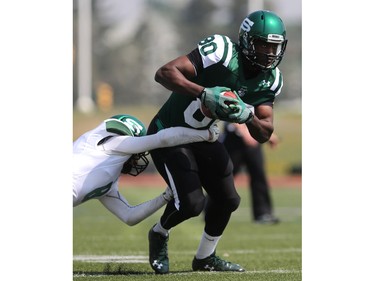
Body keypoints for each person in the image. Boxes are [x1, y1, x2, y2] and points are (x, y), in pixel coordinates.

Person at [146, 10, 287, 274]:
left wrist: (248, 116)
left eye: (274, 46)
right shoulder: (221, 52)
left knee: (228, 199)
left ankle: (205, 258)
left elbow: (265, 132)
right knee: (192, 204)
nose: (269, 52)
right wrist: (203, 93)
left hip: (204, 136)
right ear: (246, 41)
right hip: (170, 132)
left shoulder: (270, 79)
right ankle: (159, 232)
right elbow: (164, 72)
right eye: (263, 44)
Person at [73, 114, 219, 226]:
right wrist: (206, 135)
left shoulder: (109, 180)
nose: (136, 160)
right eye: (136, 155)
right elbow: (162, 139)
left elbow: (129, 216)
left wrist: (165, 196)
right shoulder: (115, 143)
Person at [221, 122, 280, 224]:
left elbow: (256, 116)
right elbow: (231, 111)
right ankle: (212, 210)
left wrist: (267, 135)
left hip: (253, 139)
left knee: (258, 175)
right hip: (233, 140)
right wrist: (244, 132)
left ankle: (262, 213)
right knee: (225, 177)